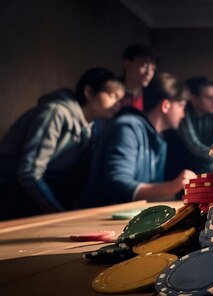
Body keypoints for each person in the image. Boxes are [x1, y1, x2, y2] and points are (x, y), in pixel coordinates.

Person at [0, 68, 124, 219]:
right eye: (112, 95)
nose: (118, 103)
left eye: (120, 99)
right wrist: (60, 214)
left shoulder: (95, 126)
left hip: (39, 194)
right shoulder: (55, 113)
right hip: (11, 191)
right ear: (89, 92)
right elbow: (29, 173)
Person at [80, 73, 195, 208]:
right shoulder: (127, 128)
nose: (184, 114)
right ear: (165, 106)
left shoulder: (159, 138)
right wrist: (173, 186)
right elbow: (118, 186)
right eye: (181, 106)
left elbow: (149, 194)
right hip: (97, 219)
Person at [164, 76, 213, 177]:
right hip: (183, 164)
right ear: (194, 99)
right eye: (209, 97)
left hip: (209, 161)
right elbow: (194, 147)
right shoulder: (183, 113)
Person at [120, 44, 157, 111]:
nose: (148, 73)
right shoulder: (112, 91)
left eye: (153, 69)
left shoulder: (152, 96)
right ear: (127, 65)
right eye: (144, 66)